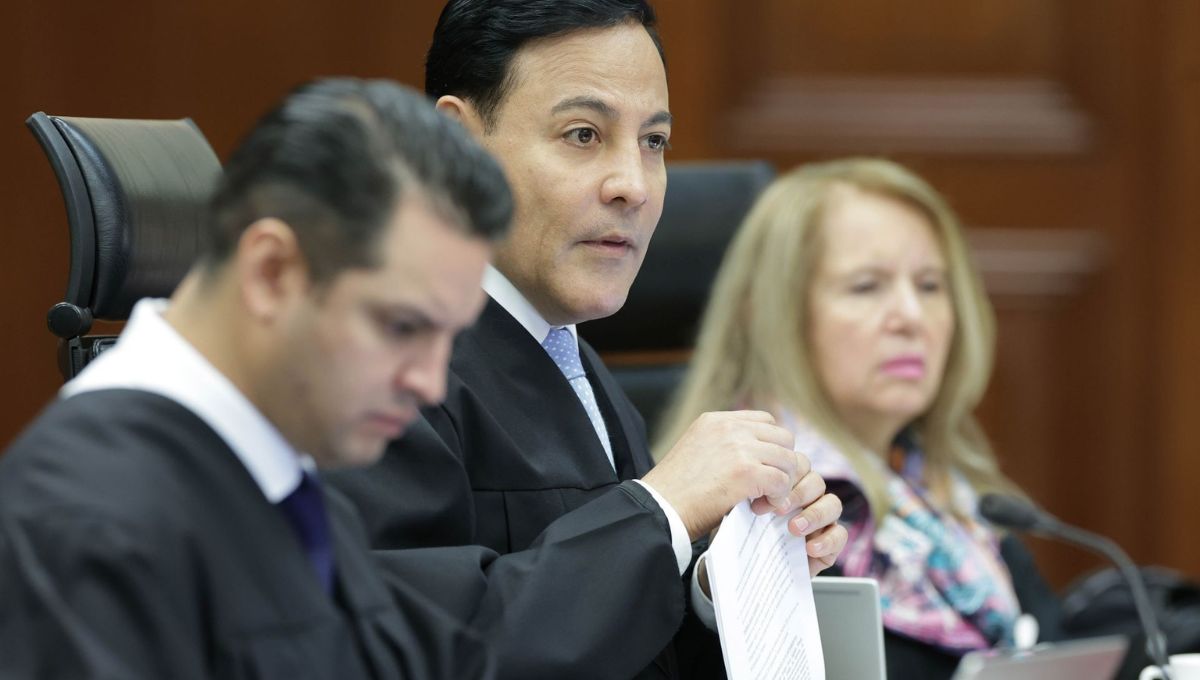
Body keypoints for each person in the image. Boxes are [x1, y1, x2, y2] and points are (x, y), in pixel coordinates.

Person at [326, 1, 848, 678]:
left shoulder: (575, 363)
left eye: (653, 142)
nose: (633, 185)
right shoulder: (373, 369)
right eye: (583, 134)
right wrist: (662, 510)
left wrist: (722, 580)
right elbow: (419, 649)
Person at [0, 78, 514, 679]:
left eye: (449, 336)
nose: (430, 383)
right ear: (271, 272)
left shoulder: (284, 482)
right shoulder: (90, 521)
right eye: (402, 326)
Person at [656, 158, 1065, 680]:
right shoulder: (742, 513)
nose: (911, 317)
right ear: (771, 312)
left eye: (930, 285)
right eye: (867, 286)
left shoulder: (956, 503)